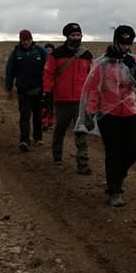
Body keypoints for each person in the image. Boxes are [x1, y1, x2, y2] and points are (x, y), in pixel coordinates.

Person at [78, 25, 136, 207]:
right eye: (123, 43)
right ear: (116, 41)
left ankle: (118, 176)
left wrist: (134, 70)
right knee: (113, 153)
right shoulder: (102, 63)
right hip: (108, 114)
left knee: (133, 150)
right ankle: (114, 191)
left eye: (129, 43)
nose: (126, 47)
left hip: (129, 112)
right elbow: (93, 89)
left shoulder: (134, 60)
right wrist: (89, 111)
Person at [43, 22, 94, 174]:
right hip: (62, 100)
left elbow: (92, 78)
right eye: (73, 35)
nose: (76, 37)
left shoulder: (87, 55)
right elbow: (48, 75)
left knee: (81, 133)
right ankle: (57, 157)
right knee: (60, 130)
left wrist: (92, 98)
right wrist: (47, 93)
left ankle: (82, 165)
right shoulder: (56, 54)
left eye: (78, 35)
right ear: (67, 36)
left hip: (80, 102)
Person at [4, 29, 47, 151]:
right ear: (20, 41)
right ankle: (24, 141)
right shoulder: (15, 53)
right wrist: (9, 88)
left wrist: (49, 87)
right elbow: (9, 71)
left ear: (32, 39)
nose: (26, 42)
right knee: (25, 117)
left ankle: (38, 138)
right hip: (23, 92)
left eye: (28, 40)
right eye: (24, 40)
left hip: (39, 90)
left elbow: (49, 68)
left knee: (38, 117)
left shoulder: (40, 51)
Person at [41, 43, 56, 131]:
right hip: (43, 86)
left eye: (50, 50)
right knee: (44, 105)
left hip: (53, 87)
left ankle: (50, 122)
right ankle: (43, 122)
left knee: (51, 105)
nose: (48, 52)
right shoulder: (42, 61)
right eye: (47, 50)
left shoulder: (55, 61)